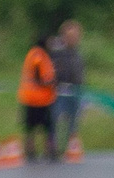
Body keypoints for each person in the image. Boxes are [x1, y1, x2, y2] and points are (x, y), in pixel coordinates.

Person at [19, 32, 59, 162]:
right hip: (37, 99)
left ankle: (34, 150)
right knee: (45, 126)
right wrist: (50, 83)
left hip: (35, 98)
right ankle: (45, 150)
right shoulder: (38, 54)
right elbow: (38, 76)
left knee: (32, 127)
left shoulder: (38, 53)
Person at [50, 19, 86, 158]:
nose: (73, 39)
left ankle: (70, 149)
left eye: (76, 36)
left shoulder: (77, 54)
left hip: (76, 92)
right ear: (64, 36)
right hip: (59, 92)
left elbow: (80, 74)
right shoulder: (56, 52)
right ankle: (54, 148)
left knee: (73, 122)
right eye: (70, 36)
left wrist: (82, 91)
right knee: (55, 121)